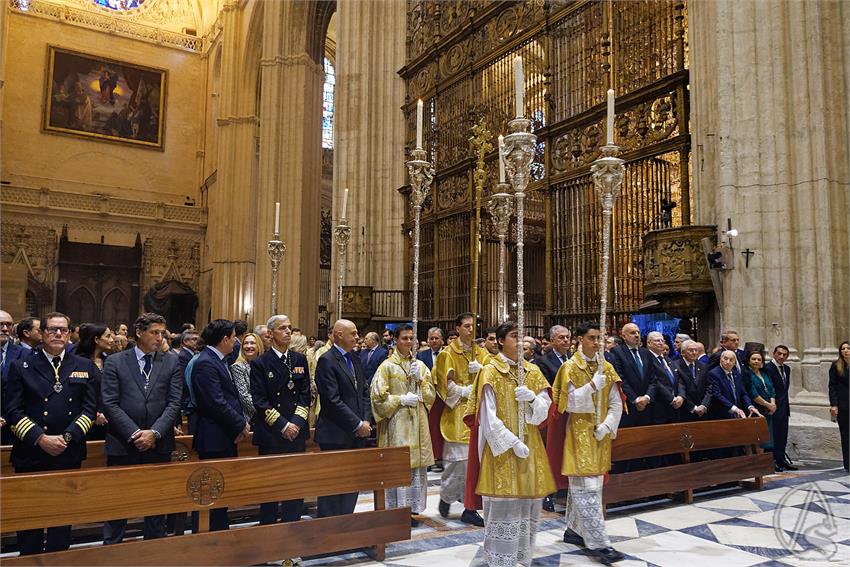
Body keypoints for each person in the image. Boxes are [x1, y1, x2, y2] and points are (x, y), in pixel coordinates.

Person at [5, 312, 98, 555]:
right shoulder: (22, 366)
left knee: (62, 519)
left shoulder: (83, 366)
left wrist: (67, 438)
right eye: (52, 330)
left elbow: (89, 409)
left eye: (64, 330)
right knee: (29, 519)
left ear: (69, 334)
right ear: (42, 334)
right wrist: (41, 438)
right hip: (32, 451)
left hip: (68, 451)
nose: (58, 334)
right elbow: (13, 411)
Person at [463, 320, 555, 567]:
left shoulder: (533, 372)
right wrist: (513, 443)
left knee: (528, 512)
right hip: (502, 452)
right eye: (515, 335)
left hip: (531, 451)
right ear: (501, 341)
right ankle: (499, 561)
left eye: (523, 335)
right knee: (504, 515)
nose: (520, 340)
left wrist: (534, 399)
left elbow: (544, 414)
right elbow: (487, 419)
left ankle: (521, 560)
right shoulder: (490, 371)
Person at [101, 313, 184, 544]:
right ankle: (112, 553)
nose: (160, 338)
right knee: (117, 505)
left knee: (155, 507)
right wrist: (135, 433)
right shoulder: (116, 361)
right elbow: (109, 402)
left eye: (162, 333)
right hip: (123, 443)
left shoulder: (171, 361)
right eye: (154, 332)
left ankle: (153, 553)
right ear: (139, 333)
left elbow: (174, 402)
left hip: (158, 444)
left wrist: (154, 432)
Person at [547, 321, 625, 565]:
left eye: (600, 338)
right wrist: (592, 386)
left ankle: (574, 530)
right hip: (579, 436)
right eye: (592, 338)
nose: (597, 343)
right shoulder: (571, 367)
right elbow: (567, 404)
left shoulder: (607, 367)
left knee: (591, 489)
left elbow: (616, 402)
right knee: (588, 491)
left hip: (600, 436)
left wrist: (608, 425)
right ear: (579, 339)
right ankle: (599, 543)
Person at [370, 324, 435, 527]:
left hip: (417, 422)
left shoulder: (420, 366)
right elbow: (377, 398)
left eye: (411, 339)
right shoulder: (387, 366)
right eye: (404, 338)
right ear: (396, 340)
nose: (408, 342)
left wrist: (421, 380)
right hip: (397, 423)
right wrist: (400, 400)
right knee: (399, 465)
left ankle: (410, 510)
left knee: (415, 470)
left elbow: (432, 395)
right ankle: (396, 510)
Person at [250, 315, 310, 529]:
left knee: (295, 487)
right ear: (270, 333)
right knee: (271, 488)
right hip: (272, 434)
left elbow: (305, 395)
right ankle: (269, 534)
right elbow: (259, 400)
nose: (288, 332)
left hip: (296, 432)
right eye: (282, 328)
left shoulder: (299, 360)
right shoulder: (260, 363)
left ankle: (292, 533)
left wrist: (295, 423)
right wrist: (283, 425)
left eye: (290, 328)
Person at [191, 319, 250, 531]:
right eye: (234, 337)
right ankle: (209, 536)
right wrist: (240, 424)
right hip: (214, 437)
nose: (236, 342)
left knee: (221, 494)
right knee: (211, 495)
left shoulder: (217, 360)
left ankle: (219, 531)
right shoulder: (206, 362)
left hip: (223, 435)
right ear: (224, 339)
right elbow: (216, 402)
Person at [433, 312, 489, 526]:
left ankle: (470, 507)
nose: (470, 330)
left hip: (478, 414)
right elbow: (443, 383)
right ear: (457, 328)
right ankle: (447, 496)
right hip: (457, 414)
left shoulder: (481, 353)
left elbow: (493, 375)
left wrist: (482, 369)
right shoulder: (448, 354)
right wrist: (466, 391)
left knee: (476, 464)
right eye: (466, 326)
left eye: (473, 326)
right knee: (458, 465)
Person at [314, 319, 372, 517]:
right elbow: (332, 400)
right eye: (353, 333)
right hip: (335, 433)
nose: (357, 337)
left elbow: (364, 392)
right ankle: (329, 531)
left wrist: (365, 421)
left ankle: (345, 528)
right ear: (339, 334)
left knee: (352, 484)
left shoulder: (354, 358)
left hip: (357, 434)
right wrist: (357, 423)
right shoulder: (327, 360)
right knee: (333, 486)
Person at [605, 322, 653, 429]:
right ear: (623, 336)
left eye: (638, 332)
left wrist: (647, 397)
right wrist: (636, 399)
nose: (637, 335)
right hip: (629, 405)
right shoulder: (617, 352)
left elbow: (653, 378)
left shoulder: (645, 353)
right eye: (632, 333)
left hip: (647, 404)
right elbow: (620, 378)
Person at [74, 324, 114, 439]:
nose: (111, 340)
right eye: (108, 336)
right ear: (96, 339)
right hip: (86, 421)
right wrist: (94, 414)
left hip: (108, 420)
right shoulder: (79, 362)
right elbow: (76, 393)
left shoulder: (109, 361)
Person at [417, 327, 445, 472]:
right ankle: (432, 457)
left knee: (443, 427)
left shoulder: (447, 355)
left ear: (442, 340)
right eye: (431, 338)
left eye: (436, 338)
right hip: (428, 397)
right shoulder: (421, 356)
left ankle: (443, 457)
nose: (433, 341)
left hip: (445, 397)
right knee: (430, 428)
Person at [763, 345, 795, 471]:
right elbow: (768, 389)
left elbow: (784, 390)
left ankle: (781, 460)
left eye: (785, 354)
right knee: (773, 435)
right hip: (773, 407)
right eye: (779, 354)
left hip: (784, 407)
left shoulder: (786, 369)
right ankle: (772, 461)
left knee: (783, 434)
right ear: (774, 353)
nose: (782, 356)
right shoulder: (768, 368)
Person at [707, 350, 762, 421]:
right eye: (725, 359)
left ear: (735, 362)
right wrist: (735, 408)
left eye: (731, 360)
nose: (727, 362)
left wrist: (750, 406)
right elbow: (717, 395)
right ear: (721, 359)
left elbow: (743, 394)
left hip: (736, 414)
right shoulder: (714, 373)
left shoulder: (737, 374)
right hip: (721, 415)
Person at [645, 331, 685, 424]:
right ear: (649, 343)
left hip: (676, 407)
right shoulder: (647, 359)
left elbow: (679, 379)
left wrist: (681, 396)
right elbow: (655, 381)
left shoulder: (668, 360)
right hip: (659, 407)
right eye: (657, 340)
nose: (661, 343)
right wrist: (671, 399)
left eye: (662, 340)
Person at [744, 350, 776, 462]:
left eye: (759, 359)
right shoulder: (747, 373)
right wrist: (768, 404)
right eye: (753, 359)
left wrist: (773, 404)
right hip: (755, 409)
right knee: (754, 437)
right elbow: (753, 393)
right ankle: (752, 464)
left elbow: (771, 389)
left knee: (764, 438)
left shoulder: (764, 373)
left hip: (767, 410)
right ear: (748, 360)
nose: (756, 361)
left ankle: (761, 464)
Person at [1, 310, 26, 443]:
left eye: (8, 325)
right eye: (0, 325)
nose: (5, 329)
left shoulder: (25, 354)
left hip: (12, 422)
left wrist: (6, 416)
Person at [675, 340, 711, 421]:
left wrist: (704, 405)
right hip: (684, 412)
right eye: (691, 350)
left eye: (696, 350)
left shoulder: (703, 366)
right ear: (683, 353)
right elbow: (679, 389)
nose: (694, 352)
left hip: (702, 411)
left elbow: (709, 387)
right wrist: (693, 408)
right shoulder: (676, 366)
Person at [231, 332, 264, 421]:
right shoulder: (237, 367)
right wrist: (265, 411)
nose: (249, 346)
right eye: (245, 343)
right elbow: (244, 396)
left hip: (270, 414)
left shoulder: (266, 365)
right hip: (252, 417)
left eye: (252, 343)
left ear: (259, 346)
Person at [829, 341, 850, 472]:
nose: (846, 351)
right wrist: (834, 405)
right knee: (846, 435)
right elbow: (832, 386)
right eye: (843, 349)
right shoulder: (836, 365)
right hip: (843, 406)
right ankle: (848, 463)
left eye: (848, 348)